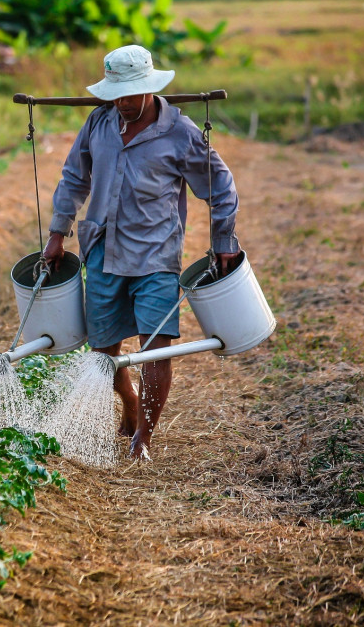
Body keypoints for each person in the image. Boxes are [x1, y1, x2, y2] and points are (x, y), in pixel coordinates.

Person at [42, 45, 241, 460]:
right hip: (102, 251)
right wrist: (57, 233)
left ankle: (142, 440)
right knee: (103, 352)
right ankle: (129, 402)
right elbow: (74, 178)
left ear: (150, 89)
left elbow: (220, 188)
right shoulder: (98, 123)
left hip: (156, 256)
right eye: (116, 94)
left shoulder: (180, 133)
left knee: (157, 347)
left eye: (130, 94)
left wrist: (223, 241)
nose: (123, 102)